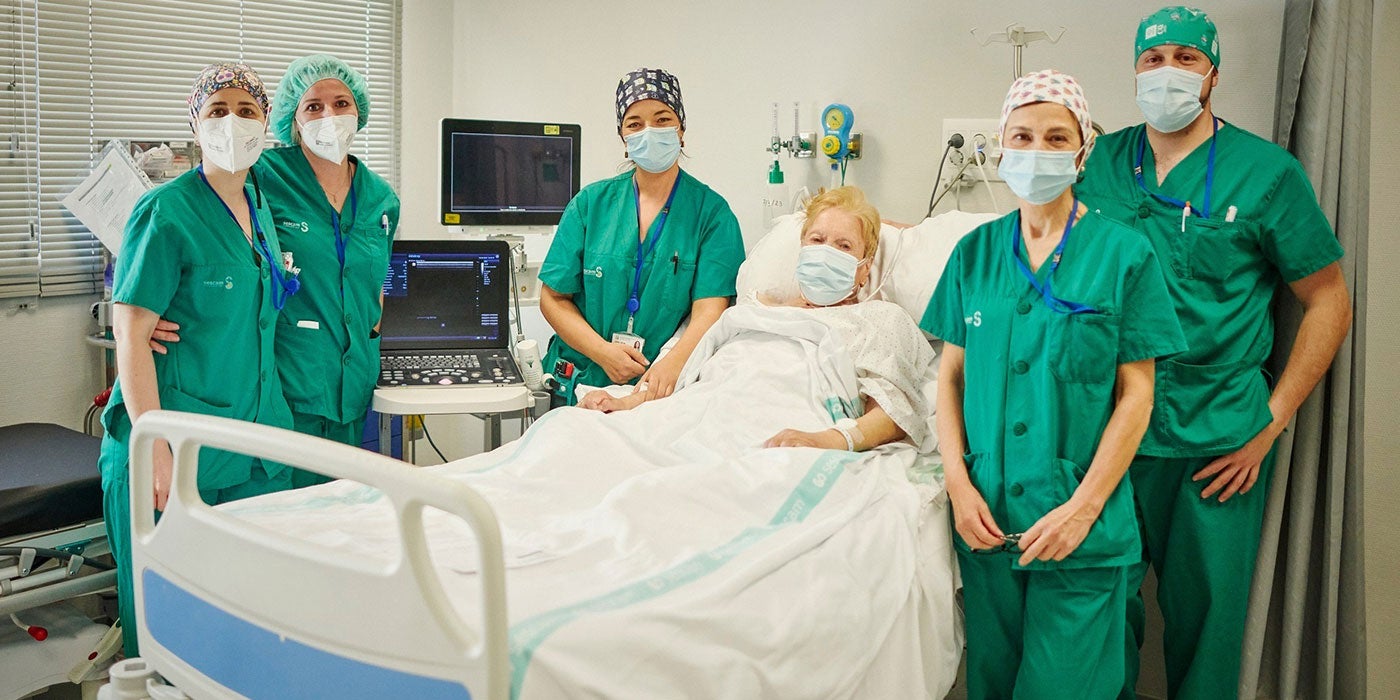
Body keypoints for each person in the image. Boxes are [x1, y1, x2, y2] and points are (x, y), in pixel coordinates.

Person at [1074, 8, 1353, 698]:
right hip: (1107, 436)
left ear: (1214, 74)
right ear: (1135, 70)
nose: (1167, 71)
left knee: (1210, 635)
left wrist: (1273, 417)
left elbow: (1329, 300)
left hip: (1218, 445)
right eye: (1153, 58)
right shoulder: (1099, 163)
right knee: (1098, 623)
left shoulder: (1266, 173)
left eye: (1186, 58)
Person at [921, 70, 1186, 699]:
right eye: (1022, 135)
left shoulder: (1124, 255)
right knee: (991, 686)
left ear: (1081, 151)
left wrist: (1084, 508)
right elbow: (950, 379)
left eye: (1055, 137)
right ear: (1002, 145)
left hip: (1080, 532)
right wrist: (958, 486)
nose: (1037, 150)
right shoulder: (974, 253)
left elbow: (1137, 396)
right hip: (987, 524)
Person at [97, 62, 298, 655]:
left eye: (246, 111)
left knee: (245, 630)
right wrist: (154, 444)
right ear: (194, 123)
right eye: (217, 112)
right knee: (169, 635)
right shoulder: (166, 210)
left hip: (252, 444)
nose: (232, 123)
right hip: (173, 451)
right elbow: (131, 334)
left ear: (266, 124)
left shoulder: (259, 210)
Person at [581, 186, 933, 455]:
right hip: (698, 419)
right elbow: (689, 374)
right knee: (575, 437)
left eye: (844, 247)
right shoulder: (756, 308)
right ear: (802, 248)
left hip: (780, 429)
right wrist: (629, 403)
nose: (827, 251)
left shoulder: (879, 319)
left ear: (864, 268)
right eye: (818, 239)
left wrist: (827, 440)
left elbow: (892, 413)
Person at [539, 67, 745, 407]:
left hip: (659, 388)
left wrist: (673, 363)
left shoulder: (711, 213)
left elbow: (711, 307)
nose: (649, 131)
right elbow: (553, 298)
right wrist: (602, 352)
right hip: (582, 374)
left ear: (681, 130)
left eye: (662, 119)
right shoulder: (590, 205)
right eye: (635, 124)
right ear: (623, 139)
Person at [255, 54, 400, 486]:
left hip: (352, 381)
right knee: (289, 519)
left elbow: (374, 278)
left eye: (341, 104)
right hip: (288, 380)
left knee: (339, 518)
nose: (329, 116)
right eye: (313, 107)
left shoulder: (380, 198)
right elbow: (202, 230)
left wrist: (373, 325)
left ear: (359, 112)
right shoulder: (262, 177)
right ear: (293, 120)